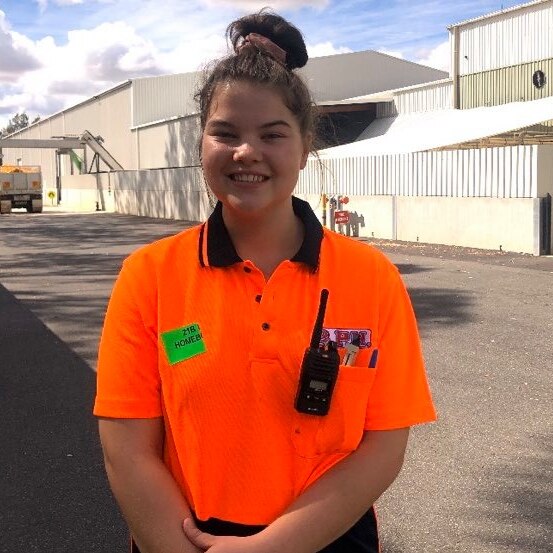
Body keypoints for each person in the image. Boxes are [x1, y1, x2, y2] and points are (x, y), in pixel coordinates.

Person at [94, 10, 436, 553]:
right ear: (201, 145)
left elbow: (384, 445)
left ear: (304, 147)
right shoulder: (150, 276)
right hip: (183, 538)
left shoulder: (371, 278)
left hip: (327, 536)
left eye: (271, 134)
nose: (246, 151)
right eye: (224, 133)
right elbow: (126, 447)